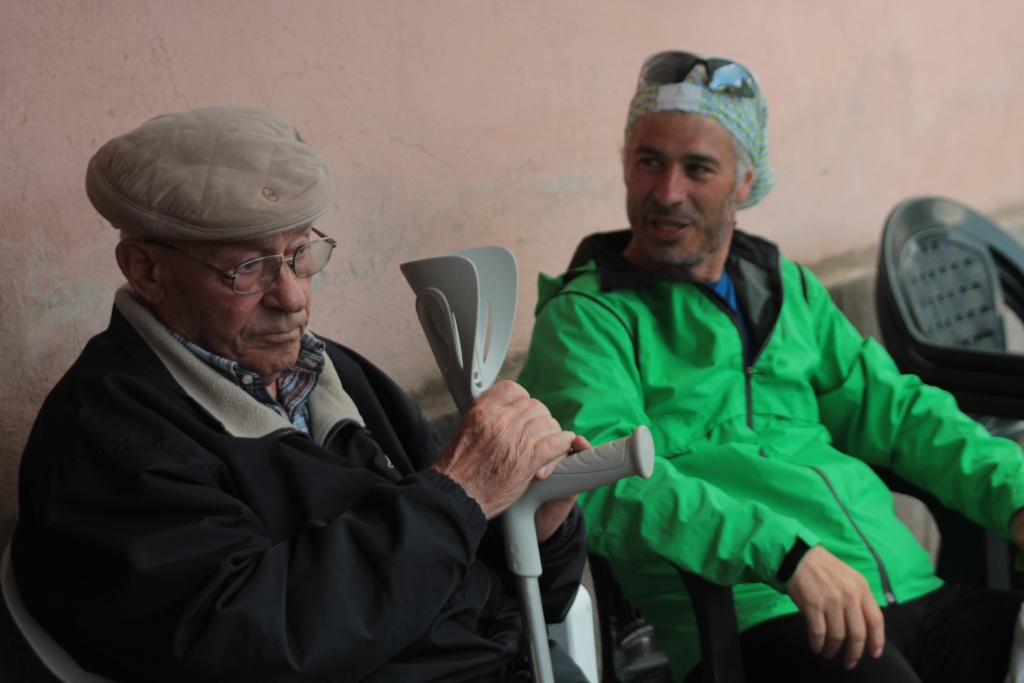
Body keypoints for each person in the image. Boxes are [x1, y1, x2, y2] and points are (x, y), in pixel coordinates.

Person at [13, 104, 592, 683]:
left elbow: (510, 598)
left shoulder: (331, 372)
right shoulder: (108, 436)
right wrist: (459, 496)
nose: (292, 297)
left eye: (300, 254)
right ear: (147, 271)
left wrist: (533, 526)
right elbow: (257, 646)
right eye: (248, 267)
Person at [517, 51, 1024, 683]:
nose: (667, 192)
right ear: (625, 164)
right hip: (757, 613)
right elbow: (603, 478)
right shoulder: (587, 318)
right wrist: (783, 553)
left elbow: (900, 413)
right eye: (649, 161)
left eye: (698, 168)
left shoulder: (789, 291)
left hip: (906, 587)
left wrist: (1016, 492)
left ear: (745, 181)